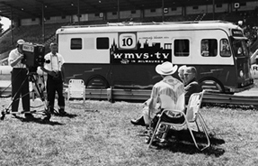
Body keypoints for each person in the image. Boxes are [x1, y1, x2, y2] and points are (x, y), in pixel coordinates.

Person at [131, 62, 185, 127]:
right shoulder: (181, 84)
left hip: (167, 117)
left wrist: (150, 116)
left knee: (147, 105)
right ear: (172, 72)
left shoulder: (158, 86)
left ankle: (148, 125)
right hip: (181, 117)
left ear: (161, 74)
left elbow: (152, 105)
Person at [8, 39, 34, 119]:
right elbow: (12, 64)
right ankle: (14, 110)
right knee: (15, 91)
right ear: (17, 46)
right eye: (20, 46)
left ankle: (27, 111)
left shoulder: (27, 53)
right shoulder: (13, 52)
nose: (22, 47)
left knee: (25, 91)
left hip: (24, 71)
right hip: (16, 71)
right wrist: (19, 58)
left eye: (23, 46)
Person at [40, 42, 67, 116]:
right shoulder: (46, 56)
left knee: (60, 94)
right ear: (50, 48)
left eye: (55, 47)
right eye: (53, 47)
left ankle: (61, 108)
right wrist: (49, 72)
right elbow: (41, 67)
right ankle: (50, 108)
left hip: (58, 74)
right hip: (51, 75)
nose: (54, 49)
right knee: (50, 93)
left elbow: (62, 67)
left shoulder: (60, 56)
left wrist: (64, 77)